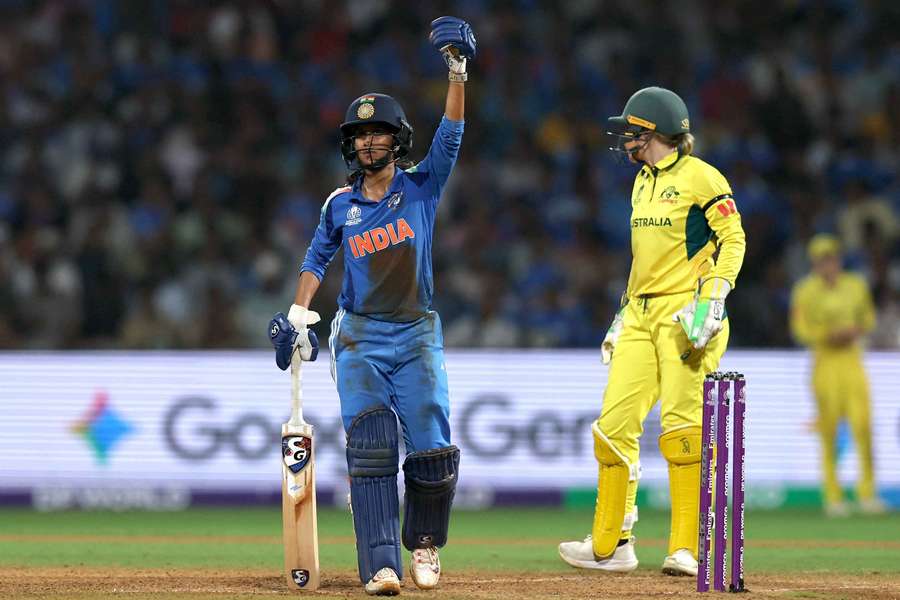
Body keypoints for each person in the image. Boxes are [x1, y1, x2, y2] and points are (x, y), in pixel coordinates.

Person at [268, 16, 475, 596]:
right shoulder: (340, 204)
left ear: (397, 139)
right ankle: (381, 564)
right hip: (359, 336)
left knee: (431, 447)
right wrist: (299, 317)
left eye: (379, 133)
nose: (367, 142)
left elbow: (452, 133)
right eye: (360, 135)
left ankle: (425, 546)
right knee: (372, 444)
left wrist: (457, 72)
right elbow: (315, 260)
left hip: (417, 333)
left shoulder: (422, 185)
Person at [558, 87, 746, 576]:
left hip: (686, 312)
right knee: (613, 428)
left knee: (683, 428)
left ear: (655, 131)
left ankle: (688, 548)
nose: (624, 138)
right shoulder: (641, 181)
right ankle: (612, 546)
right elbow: (645, 258)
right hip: (641, 313)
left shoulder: (702, 176)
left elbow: (733, 238)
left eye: (632, 130)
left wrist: (714, 296)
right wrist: (624, 310)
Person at [790, 234, 886, 517]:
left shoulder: (855, 285)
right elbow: (800, 329)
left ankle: (867, 493)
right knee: (829, 431)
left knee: (863, 425)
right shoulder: (804, 291)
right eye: (821, 260)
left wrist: (855, 330)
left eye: (831, 258)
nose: (827, 264)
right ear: (814, 263)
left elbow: (868, 318)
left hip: (852, 359)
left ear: (838, 259)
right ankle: (833, 496)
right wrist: (827, 335)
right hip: (824, 361)